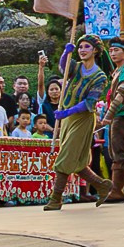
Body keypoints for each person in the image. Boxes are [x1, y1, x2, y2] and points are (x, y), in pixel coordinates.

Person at [43, 37, 111, 211]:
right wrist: (66, 52)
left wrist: (68, 111)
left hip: (82, 119)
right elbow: (63, 68)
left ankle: (55, 198)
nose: (82, 50)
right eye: (80, 47)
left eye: (86, 47)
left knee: (65, 157)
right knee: (76, 160)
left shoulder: (100, 76)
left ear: (95, 50)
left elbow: (90, 102)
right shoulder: (77, 67)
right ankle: (102, 185)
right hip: (67, 119)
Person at [100, 40, 124, 204]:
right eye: (111, 51)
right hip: (117, 115)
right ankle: (117, 190)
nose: (113, 53)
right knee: (116, 153)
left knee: (120, 154)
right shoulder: (117, 70)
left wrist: (109, 113)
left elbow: (122, 93)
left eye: (117, 50)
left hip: (122, 114)